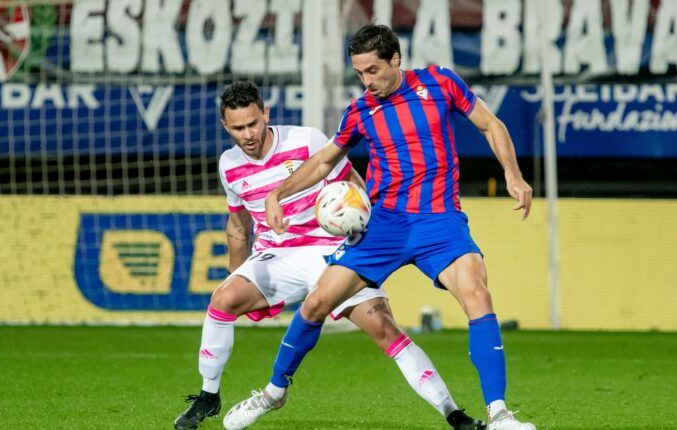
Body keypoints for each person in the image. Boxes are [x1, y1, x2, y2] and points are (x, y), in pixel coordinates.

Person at [249, 25, 536, 430]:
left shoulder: (440, 82)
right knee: (316, 302)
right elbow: (324, 162)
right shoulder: (360, 110)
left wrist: (514, 175)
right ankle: (274, 391)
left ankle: (500, 414)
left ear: (395, 60)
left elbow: (491, 125)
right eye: (359, 73)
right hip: (383, 225)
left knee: (477, 294)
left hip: (439, 220)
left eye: (372, 70)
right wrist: (277, 193)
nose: (367, 81)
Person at [173, 80, 483, 430]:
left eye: (253, 123)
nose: (247, 134)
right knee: (222, 298)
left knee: (384, 328)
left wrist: (363, 230)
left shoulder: (305, 140)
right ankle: (208, 396)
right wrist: (237, 274)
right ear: (224, 126)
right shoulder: (229, 164)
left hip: (330, 250)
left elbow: (352, 182)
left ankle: (455, 415)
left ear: (266, 114)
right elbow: (238, 228)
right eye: (238, 128)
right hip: (277, 256)